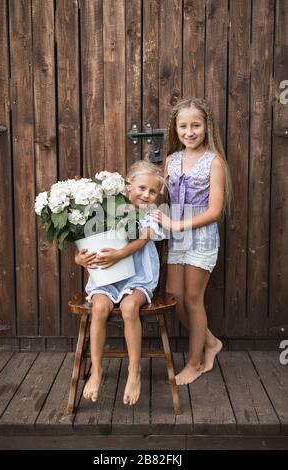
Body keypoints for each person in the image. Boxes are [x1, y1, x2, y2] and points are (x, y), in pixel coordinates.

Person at [151, 97, 232, 385]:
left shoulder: (214, 162)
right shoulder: (171, 160)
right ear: (175, 128)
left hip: (200, 236)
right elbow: (161, 196)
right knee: (175, 297)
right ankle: (211, 342)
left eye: (195, 125)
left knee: (194, 300)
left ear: (206, 127)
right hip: (176, 236)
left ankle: (195, 363)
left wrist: (177, 223)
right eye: (183, 126)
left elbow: (214, 210)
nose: (189, 132)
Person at [75, 160, 165, 405]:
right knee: (99, 308)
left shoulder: (152, 216)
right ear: (128, 186)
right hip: (108, 277)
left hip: (139, 277)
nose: (147, 195)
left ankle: (134, 370)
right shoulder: (108, 210)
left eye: (153, 191)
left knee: (128, 308)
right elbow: (86, 242)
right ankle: (96, 371)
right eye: (142, 188)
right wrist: (79, 258)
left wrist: (120, 254)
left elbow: (143, 239)